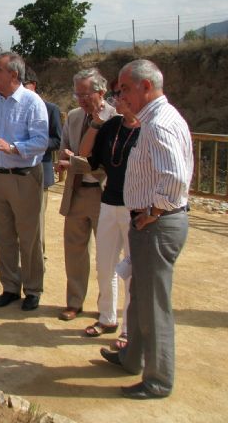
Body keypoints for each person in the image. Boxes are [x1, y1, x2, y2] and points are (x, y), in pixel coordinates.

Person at [100, 59, 193, 400]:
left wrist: (152, 211)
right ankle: (131, 358)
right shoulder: (155, 119)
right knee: (140, 297)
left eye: (124, 88)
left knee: (154, 307)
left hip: (157, 224)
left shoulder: (158, 125)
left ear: (146, 87)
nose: (119, 93)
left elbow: (175, 177)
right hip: (152, 222)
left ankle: (157, 381)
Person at [0, 52, 48, 311]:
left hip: (24, 179)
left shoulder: (32, 102)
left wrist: (13, 148)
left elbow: (41, 141)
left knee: (30, 238)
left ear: (14, 75)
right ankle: (10, 286)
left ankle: (32, 289)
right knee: (3, 235)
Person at [74, 78, 136, 348]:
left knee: (132, 269)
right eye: (116, 94)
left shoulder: (147, 129)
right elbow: (86, 155)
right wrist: (96, 125)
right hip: (109, 202)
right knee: (105, 264)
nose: (117, 98)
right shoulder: (111, 125)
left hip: (136, 205)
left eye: (121, 94)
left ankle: (129, 329)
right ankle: (107, 317)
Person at [57, 68, 116, 321]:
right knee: (74, 251)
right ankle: (74, 302)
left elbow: (106, 165)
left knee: (107, 255)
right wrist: (67, 159)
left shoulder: (116, 118)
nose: (81, 99)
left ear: (101, 92)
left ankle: (106, 309)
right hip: (76, 191)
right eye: (77, 94)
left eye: (85, 94)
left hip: (104, 195)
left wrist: (77, 161)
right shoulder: (73, 116)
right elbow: (64, 151)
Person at [23, 67, 62, 258]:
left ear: (34, 85)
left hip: (40, 171)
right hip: (16, 172)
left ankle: (39, 258)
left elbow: (58, 140)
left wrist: (31, 146)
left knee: (37, 220)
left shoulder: (50, 109)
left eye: (24, 85)